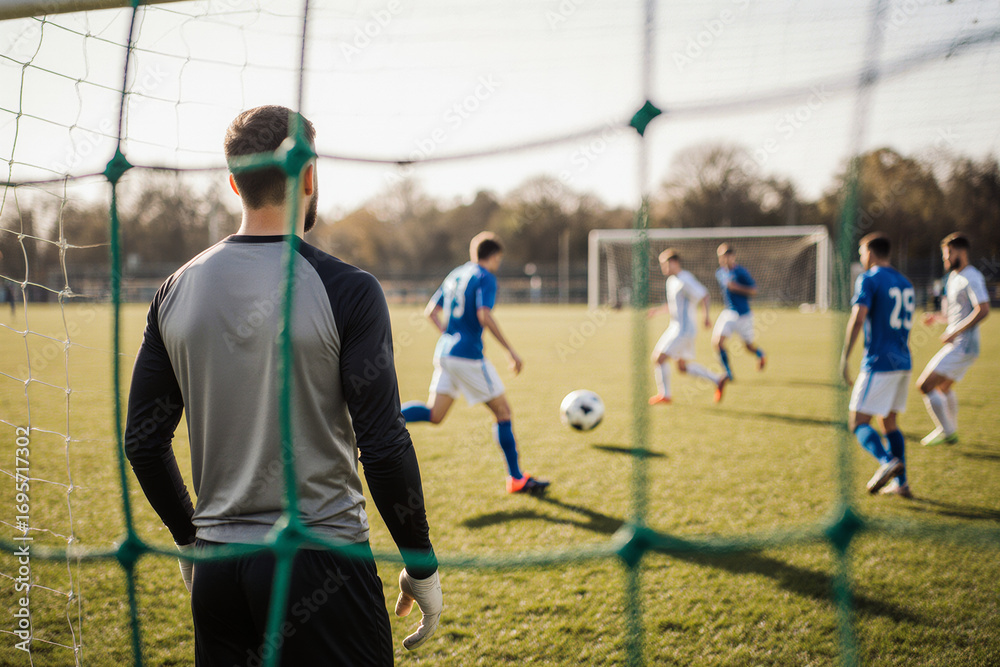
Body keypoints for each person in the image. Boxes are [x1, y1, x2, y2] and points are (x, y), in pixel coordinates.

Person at [124, 105, 441, 666]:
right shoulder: (349, 289)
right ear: (311, 174)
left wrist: (188, 538)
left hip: (220, 572)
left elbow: (144, 442)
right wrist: (421, 565)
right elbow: (384, 446)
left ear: (233, 182)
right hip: (323, 562)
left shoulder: (174, 289)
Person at [400, 232, 549, 495]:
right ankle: (516, 479)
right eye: (498, 260)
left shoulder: (456, 274)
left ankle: (381, 418)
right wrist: (510, 351)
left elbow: (430, 312)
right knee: (503, 412)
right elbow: (484, 314)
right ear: (493, 256)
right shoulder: (485, 277)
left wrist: (449, 334)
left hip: (445, 352)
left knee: (435, 414)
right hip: (468, 355)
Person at [839, 233, 914, 497]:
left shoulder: (868, 279)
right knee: (889, 423)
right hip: (903, 361)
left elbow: (858, 318)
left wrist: (846, 355)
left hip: (879, 362)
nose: (861, 257)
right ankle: (901, 484)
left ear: (870, 253)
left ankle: (886, 462)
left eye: (862, 252)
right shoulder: (905, 282)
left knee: (857, 422)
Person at [916, 232, 990, 446]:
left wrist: (954, 332)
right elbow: (955, 315)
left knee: (924, 385)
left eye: (947, 253)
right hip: (962, 345)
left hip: (963, 346)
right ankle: (951, 431)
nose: (945, 259)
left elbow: (983, 309)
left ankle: (947, 432)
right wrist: (937, 318)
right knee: (943, 388)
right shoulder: (953, 278)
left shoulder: (972, 276)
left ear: (960, 252)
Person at [648, 248, 727, 405]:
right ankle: (717, 379)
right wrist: (657, 311)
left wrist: (706, 316)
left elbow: (704, 294)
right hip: (675, 327)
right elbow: (674, 306)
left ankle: (665, 395)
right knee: (682, 368)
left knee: (659, 358)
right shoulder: (671, 281)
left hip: (684, 330)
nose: (663, 268)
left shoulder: (685, 279)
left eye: (665, 264)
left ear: (675, 262)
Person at [713, 243, 766, 381]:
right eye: (720, 257)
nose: (722, 259)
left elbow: (754, 290)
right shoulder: (720, 273)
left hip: (744, 314)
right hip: (728, 313)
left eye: (725, 256)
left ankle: (760, 354)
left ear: (732, 257)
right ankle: (728, 373)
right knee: (717, 342)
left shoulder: (741, 272)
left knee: (748, 347)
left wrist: (736, 287)